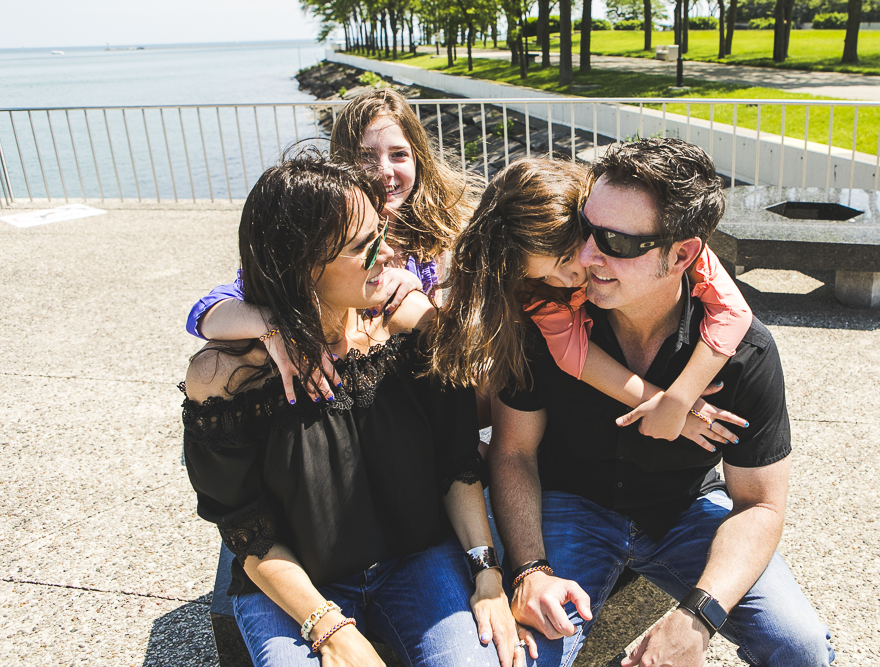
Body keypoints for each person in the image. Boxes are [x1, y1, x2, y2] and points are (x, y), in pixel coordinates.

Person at [486, 140, 835, 666]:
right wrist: (531, 569)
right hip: (570, 503)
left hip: (686, 507)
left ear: (681, 255)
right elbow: (513, 452)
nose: (584, 256)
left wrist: (697, 617)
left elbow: (761, 504)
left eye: (616, 243)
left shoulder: (745, 353)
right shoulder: (547, 313)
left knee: (800, 647)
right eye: (586, 230)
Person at [181, 149, 521, 667]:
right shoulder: (227, 377)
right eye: (367, 246)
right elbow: (245, 528)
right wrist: (328, 626)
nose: (390, 254)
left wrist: (486, 573)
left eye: (383, 232)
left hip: (414, 558)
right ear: (303, 262)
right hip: (292, 582)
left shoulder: (408, 324)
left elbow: (457, 462)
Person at [430, 157, 751, 450]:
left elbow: (733, 311)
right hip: (510, 372)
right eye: (543, 276)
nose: (568, 279)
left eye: (567, 257)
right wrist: (668, 406)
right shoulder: (539, 294)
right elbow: (576, 357)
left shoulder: (658, 242)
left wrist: (679, 400)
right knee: (453, 423)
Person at [186, 89, 475, 404]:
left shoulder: (431, 237)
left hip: (391, 387)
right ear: (344, 164)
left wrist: (416, 293)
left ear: (419, 158)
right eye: (366, 155)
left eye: (398, 154)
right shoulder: (318, 230)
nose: (385, 170)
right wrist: (273, 326)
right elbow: (205, 312)